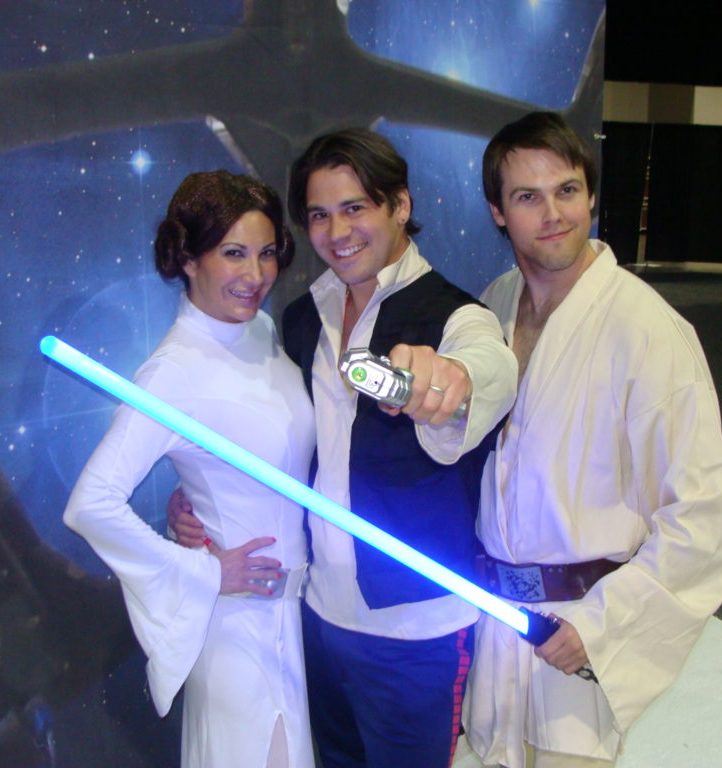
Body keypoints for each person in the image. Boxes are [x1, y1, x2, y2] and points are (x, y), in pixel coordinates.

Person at [171, 128, 518, 768]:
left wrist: (450, 382)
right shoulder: (303, 317)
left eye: (355, 208)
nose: (337, 232)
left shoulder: (457, 317)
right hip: (318, 618)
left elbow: (486, 369)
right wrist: (197, 490)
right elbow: (278, 434)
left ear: (400, 206)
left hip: (415, 631)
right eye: (319, 215)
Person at [460, 111, 722, 767]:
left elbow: (700, 518)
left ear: (590, 194)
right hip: (497, 629)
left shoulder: (647, 330)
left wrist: (601, 623)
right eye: (527, 196)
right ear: (498, 212)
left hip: (578, 631)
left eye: (568, 190)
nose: (553, 213)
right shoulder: (493, 305)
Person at [63, 170, 316, 768]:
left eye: (266, 253)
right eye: (233, 253)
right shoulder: (172, 372)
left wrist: (192, 489)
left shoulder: (260, 332)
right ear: (188, 258)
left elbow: (249, 445)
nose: (256, 275)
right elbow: (90, 504)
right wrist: (203, 572)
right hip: (237, 633)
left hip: (293, 621)